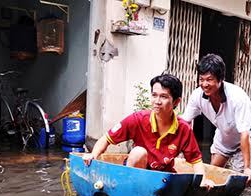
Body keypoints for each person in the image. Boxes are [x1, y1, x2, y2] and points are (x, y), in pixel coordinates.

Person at [83, 74, 215, 189]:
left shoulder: (183, 129)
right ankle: (130, 189)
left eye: (163, 97)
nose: (157, 102)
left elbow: (196, 160)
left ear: (176, 101)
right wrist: (93, 155)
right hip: (135, 173)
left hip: (163, 178)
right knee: (138, 152)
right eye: (154, 95)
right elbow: (107, 138)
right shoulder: (138, 119)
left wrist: (202, 180)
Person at [181, 54, 251, 185]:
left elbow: (244, 133)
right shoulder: (197, 95)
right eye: (201, 79)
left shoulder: (237, 97)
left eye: (209, 80)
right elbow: (185, 123)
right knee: (213, 172)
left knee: (241, 179)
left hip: (248, 135)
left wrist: (247, 168)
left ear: (221, 79)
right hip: (225, 132)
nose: (204, 84)